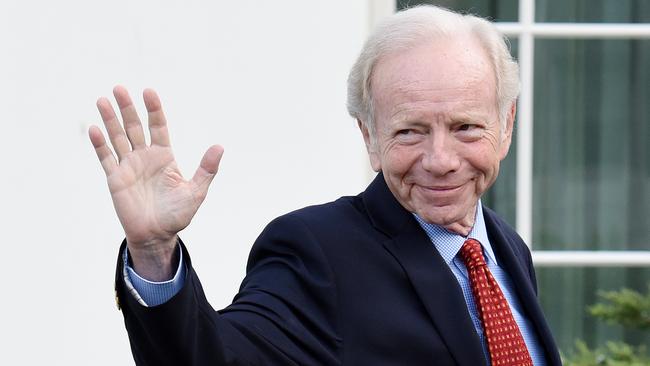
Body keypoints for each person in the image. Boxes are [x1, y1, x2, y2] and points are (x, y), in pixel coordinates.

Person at [89, 5, 561, 366]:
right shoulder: (317, 252)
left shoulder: (504, 249)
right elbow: (215, 356)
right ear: (369, 138)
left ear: (506, 125)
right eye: (409, 131)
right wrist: (153, 251)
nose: (440, 161)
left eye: (465, 128)